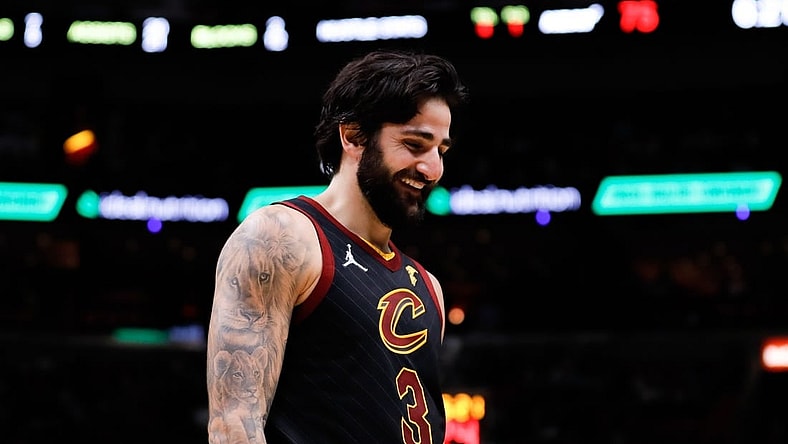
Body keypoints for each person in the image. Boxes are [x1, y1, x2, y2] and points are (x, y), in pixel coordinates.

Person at [206, 48, 470, 444]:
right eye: (415, 144)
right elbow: (233, 426)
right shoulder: (281, 237)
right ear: (353, 136)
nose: (433, 168)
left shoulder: (428, 287)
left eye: (441, 151)